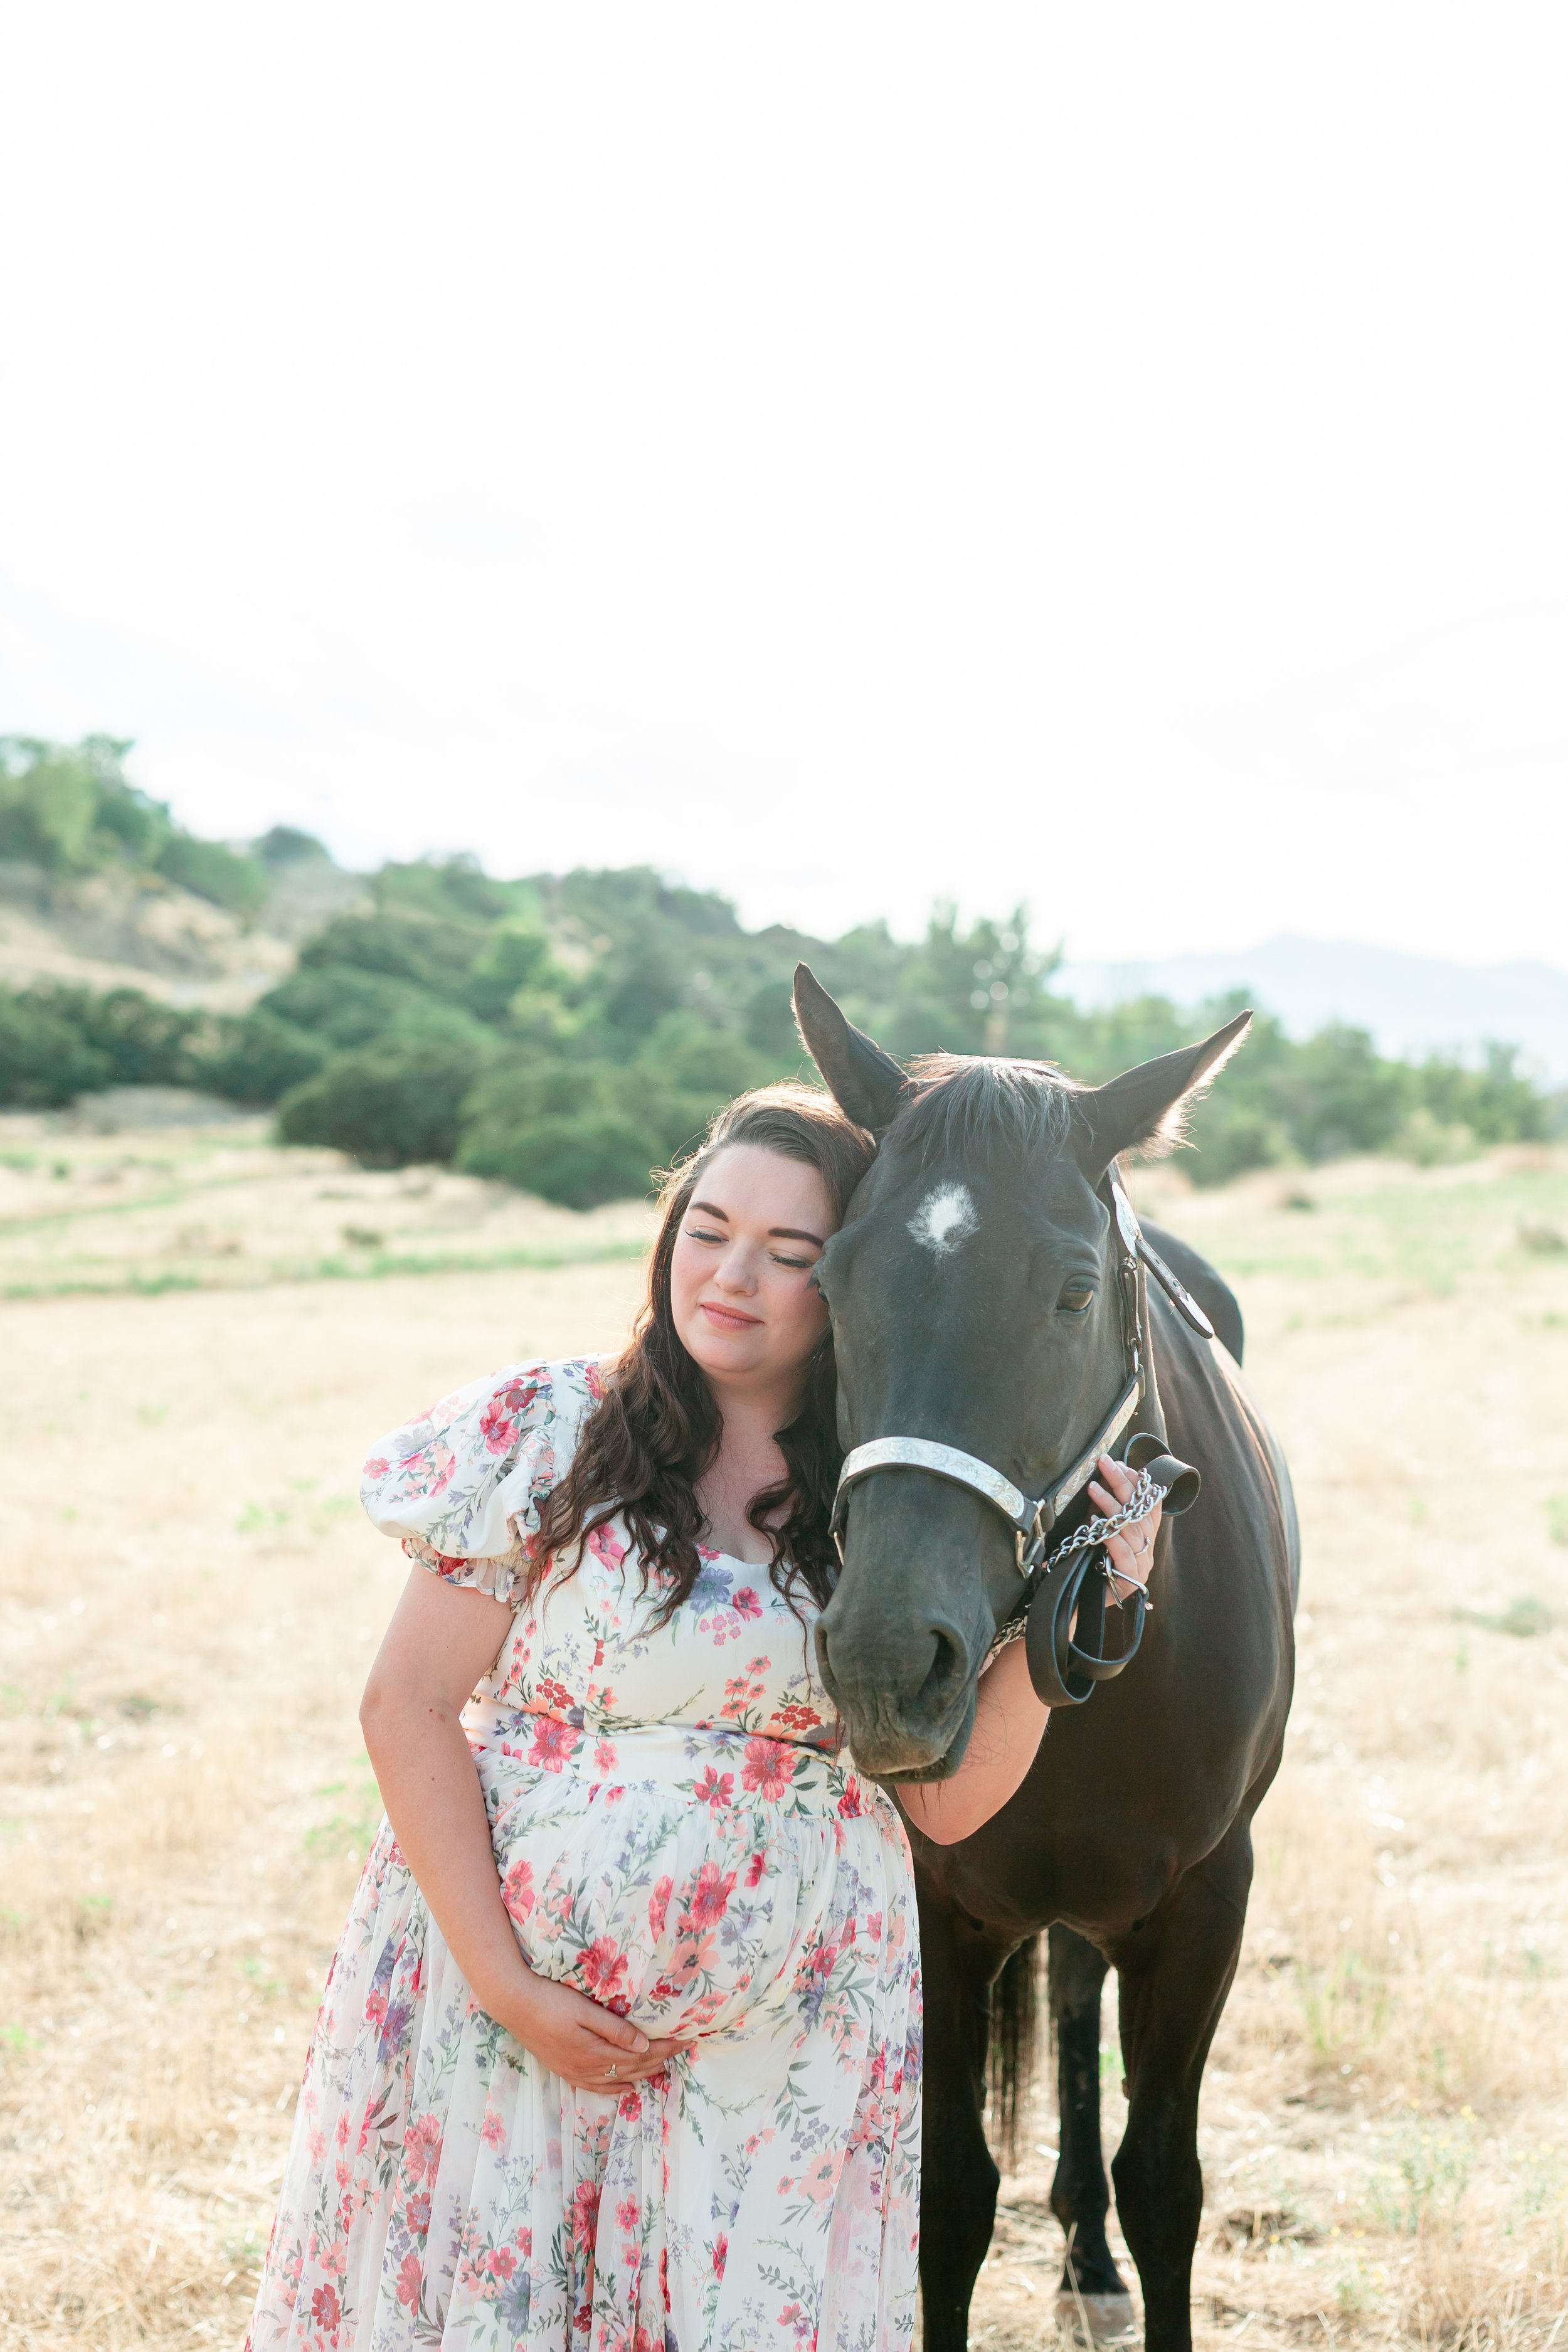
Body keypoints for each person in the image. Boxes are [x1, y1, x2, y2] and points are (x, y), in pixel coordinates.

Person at [245, 1082, 1161, 2352]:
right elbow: (404, 1708)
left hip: (781, 2062)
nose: (730, 1276)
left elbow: (946, 1800)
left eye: (789, 1254)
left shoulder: (883, 1504)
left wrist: (1084, 1609)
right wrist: (507, 1987)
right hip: (508, 2036)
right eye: (707, 1228)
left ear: (851, 1284)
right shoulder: (556, 1429)